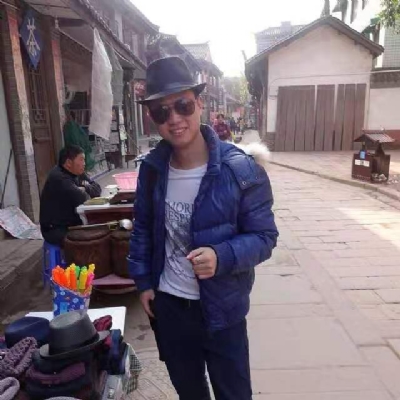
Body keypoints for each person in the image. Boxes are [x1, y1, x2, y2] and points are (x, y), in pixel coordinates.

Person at [128, 56, 278, 400]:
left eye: (182, 105)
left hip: (223, 308)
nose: (174, 119)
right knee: (189, 392)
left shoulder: (241, 170)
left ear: (199, 103)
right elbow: (143, 228)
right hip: (170, 307)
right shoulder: (152, 170)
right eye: (161, 111)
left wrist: (221, 256)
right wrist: (144, 282)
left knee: (234, 394)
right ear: (152, 117)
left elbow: (265, 237)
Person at [40, 145, 101, 247]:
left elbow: (97, 190)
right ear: (68, 162)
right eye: (81, 160)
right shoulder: (59, 177)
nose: (84, 163)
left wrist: (85, 187)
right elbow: (82, 198)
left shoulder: (77, 172)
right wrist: (84, 189)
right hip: (56, 229)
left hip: (72, 223)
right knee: (95, 240)